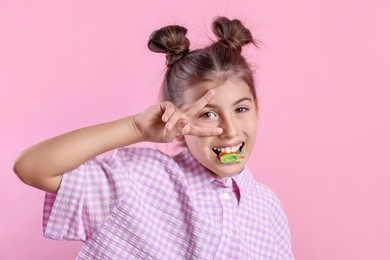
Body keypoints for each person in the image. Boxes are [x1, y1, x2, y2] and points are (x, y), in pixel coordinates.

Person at [14, 16, 294, 259]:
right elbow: (31, 167)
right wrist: (135, 128)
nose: (230, 130)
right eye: (207, 114)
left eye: (241, 109)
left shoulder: (267, 208)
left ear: (258, 110)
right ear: (175, 118)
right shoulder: (137, 179)